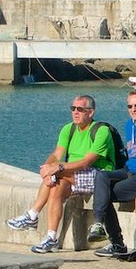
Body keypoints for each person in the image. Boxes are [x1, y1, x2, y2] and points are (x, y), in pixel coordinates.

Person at [24, 94, 117, 256]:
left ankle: (32, 214)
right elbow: (57, 153)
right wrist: (47, 168)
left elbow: (86, 163)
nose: (75, 112)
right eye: (73, 108)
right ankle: (51, 237)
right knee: (55, 186)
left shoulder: (101, 131)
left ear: (91, 112)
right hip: (73, 173)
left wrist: (56, 169)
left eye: (80, 109)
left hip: (100, 175)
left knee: (57, 176)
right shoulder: (69, 128)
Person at [93, 90, 136, 259]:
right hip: (129, 170)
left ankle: (117, 243)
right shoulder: (129, 125)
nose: (133, 109)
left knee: (105, 194)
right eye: (130, 106)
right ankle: (97, 223)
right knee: (102, 177)